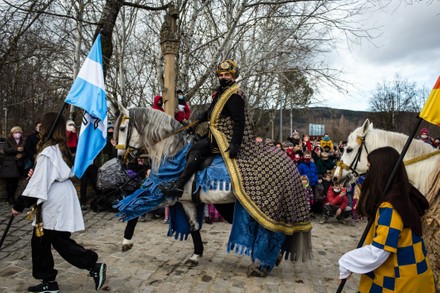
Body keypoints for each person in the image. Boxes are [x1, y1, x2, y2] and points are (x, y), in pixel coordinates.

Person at [11, 112, 107, 292]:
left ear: (46, 128)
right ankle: (53, 279)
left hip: (54, 197)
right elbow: (45, 174)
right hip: (61, 193)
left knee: (49, 240)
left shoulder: (48, 152)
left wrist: (20, 204)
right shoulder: (60, 149)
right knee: (50, 239)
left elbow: (39, 183)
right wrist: (36, 171)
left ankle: (86, 267)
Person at [338, 146, 435, 292]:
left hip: (399, 283)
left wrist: (347, 262)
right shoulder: (404, 195)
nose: (367, 174)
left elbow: (379, 251)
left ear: (380, 172)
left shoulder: (391, 207)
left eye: (370, 168)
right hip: (413, 277)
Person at [159, 59, 246, 198]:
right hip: (214, 133)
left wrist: (235, 143)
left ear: (234, 76)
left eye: (227, 75)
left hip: (225, 136)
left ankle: (179, 187)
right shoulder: (222, 93)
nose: (223, 78)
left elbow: (239, 121)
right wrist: (194, 123)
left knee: (196, 149)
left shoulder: (235, 95)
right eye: (221, 75)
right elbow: (210, 113)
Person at [0, 126, 27, 204]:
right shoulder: (8, 140)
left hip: (19, 164)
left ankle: (12, 196)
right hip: (10, 164)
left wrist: (22, 155)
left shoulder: (23, 141)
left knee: (15, 182)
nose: (18, 134)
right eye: (16, 132)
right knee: (10, 182)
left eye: (19, 132)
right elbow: (6, 150)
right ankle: (10, 197)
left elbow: (26, 151)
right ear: (12, 133)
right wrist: (16, 150)